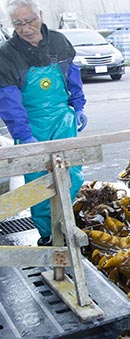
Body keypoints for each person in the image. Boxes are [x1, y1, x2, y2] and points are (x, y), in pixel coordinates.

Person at [0, 0, 87, 246]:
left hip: (62, 119)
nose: (26, 28)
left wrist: (78, 106)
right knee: (38, 183)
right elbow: (8, 100)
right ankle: (49, 234)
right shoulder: (6, 54)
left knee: (72, 175)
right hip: (30, 124)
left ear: (40, 15)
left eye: (30, 21)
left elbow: (73, 75)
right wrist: (24, 134)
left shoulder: (59, 42)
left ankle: (65, 221)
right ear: (11, 24)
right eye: (18, 24)